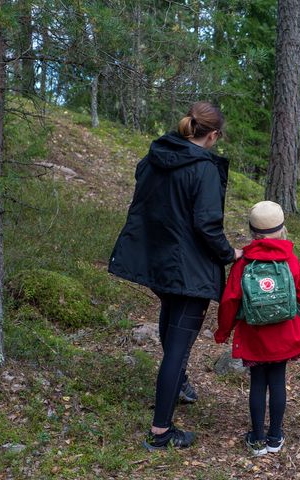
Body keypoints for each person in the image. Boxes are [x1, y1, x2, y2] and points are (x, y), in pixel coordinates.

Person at [108, 101, 242, 451]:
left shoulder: (156, 156)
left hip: (158, 259)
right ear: (212, 135)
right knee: (177, 349)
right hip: (188, 267)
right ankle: (161, 432)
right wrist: (229, 254)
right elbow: (207, 224)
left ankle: (178, 385)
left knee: (170, 322)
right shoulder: (203, 168)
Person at [215, 201, 300, 456]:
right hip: (283, 333)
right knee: (277, 380)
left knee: (257, 382)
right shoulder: (291, 260)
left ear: (252, 231)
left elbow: (230, 300)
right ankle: (275, 437)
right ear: (282, 229)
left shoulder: (243, 263)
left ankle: (257, 438)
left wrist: (223, 331)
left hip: (254, 334)